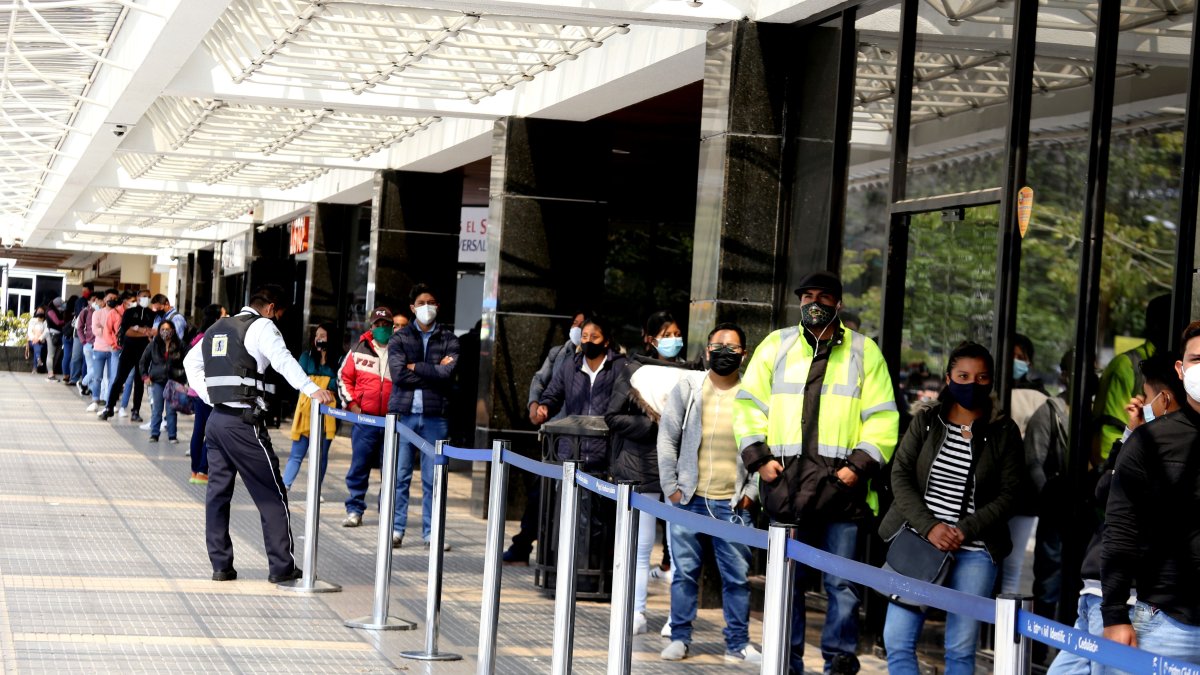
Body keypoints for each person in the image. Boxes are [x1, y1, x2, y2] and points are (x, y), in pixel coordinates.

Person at [733, 270, 898, 675]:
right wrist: (759, 460)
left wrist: (856, 470)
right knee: (788, 586)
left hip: (842, 496)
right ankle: (785, 663)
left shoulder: (865, 352)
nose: (814, 303)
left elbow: (882, 420)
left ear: (838, 304)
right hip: (784, 489)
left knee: (842, 587)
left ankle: (838, 662)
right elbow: (748, 405)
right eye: (807, 296)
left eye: (824, 297)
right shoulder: (777, 345)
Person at [880, 341, 1023, 675]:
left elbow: (1010, 494)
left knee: (960, 651)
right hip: (920, 543)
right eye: (963, 375)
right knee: (897, 641)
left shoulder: (1004, 431)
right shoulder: (927, 421)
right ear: (948, 378)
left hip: (974, 551)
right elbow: (899, 475)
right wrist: (930, 526)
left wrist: (964, 529)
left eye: (981, 377)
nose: (972, 383)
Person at [182, 284, 335, 583]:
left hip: (216, 421)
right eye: (279, 313)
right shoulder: (262, 326)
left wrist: (210, 395)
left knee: (217, 495)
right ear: (270, 308)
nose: (278, 319)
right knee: (272, 493)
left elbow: (190, 362)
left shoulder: (217, 328)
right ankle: (281, 567)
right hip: (244, 423)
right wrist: (312, 389)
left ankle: (221, 566)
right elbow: (282, 360)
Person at [1047, 352, 1183, 675]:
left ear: (1163, 400)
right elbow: (1102, 488)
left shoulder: (1167, 453)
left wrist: (1117, 613)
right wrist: (1131, 433)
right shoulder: (1143, 442)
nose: (1140, 403)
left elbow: (1106, 493)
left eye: (1147, 397)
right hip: (1096, 593)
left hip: (1123, 601)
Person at [658, 322, 762, 664]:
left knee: (736, 578)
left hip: (732, 503)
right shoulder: (688, 387)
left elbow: (767, 446)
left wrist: (751, 493)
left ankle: (737, 645)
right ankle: (680, 637)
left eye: (732, 348)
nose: (724, 353)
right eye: (718, 346)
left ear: (743, 355)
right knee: (684, 574)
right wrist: (671, 488)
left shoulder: (755, 395)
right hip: (688, 500)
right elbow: (667, 437)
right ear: (706, 351)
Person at [1100, 322, 1200, 664]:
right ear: (1181, 368)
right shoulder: (1149, 441)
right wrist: (1114, 614)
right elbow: (1121, 529)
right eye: (1197, 359)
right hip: (1168, 625)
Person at [606, 310, 690, 635]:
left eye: (676, 334)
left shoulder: (690, 372)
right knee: (640, 546)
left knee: (680, 547)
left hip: (679, 469)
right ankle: (636, 611)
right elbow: (613, 417)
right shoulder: (633, 370)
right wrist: (656, 424)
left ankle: (676, 619)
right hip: (639, 465)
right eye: (666, 334)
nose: (672, 341)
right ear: (650, 338)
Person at [502, 309, 588, 565]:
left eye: (583, 326)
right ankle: (524, 545)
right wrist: (534, 407)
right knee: (542, 493)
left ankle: (557, 553)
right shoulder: (560, 353)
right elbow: (539, 381)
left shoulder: (605, 359)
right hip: (555, 438)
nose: (578, 329)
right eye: (575, 323)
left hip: (584, 441)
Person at [387, 283, 459, 550]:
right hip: (404, 415)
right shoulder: (400, 337)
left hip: (434, 417)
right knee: (400, 476)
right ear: (412, 307)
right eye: (421, 302)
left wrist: (416, 366)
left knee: (434, 479)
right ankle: (395, 529)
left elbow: (447, 375)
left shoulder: (449, 339)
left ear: (437, 306)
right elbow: (398, 374)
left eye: (431, 301)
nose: (426, 307)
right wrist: (433, 371)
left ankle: (432, 534)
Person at [1092, 294, 1171, 465]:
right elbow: (1110, 429)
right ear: (1156, 326)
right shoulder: (1126, 366)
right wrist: (1112, 471)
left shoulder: (1175, 364)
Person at [1000, 333, 1049, 596]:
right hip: (1017, 491)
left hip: (1022, 492)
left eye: (1022, 357)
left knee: (1010, 565)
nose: (1016, 362)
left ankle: (999, 630)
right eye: (1013, 356)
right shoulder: (1041, 397)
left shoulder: (1037, 397)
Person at [340, 307, 396, 528]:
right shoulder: (358, 349)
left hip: (392, 422)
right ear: (371, 327)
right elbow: (343, 378)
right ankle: (355, 509)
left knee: (390, 469)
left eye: (386, 324)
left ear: (392, 326)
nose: (382, 328)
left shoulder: (400, 349)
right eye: (378, 325)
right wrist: (353, 405)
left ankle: (387, 513)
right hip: (365, 421)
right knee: (359, 466)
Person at [281, 323, 340, 490]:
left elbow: (339, 383)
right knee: (296, 453)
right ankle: (285, 485)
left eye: (322, 336)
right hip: (305, 412)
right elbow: (300, 379)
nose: (318, 339)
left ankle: (316, 489)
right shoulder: (307, 356)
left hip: (328, 413)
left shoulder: (339, 359)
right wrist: (324, 384)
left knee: (321, 455)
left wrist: (314, 382)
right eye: (317, 336)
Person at [101, 289, 156, 422]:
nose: (146, 299)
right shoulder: (130, 312)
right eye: (143, 296)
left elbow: (154, 332)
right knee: (119, 379)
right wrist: (145, 332)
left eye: (148, 297)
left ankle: (135, 411)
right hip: (128, 351)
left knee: (139, 382)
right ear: (137, 298)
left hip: (144, 353)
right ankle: (109, 407)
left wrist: (138, 329)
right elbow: (127, 332)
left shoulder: (151, 315)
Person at [187, 304, 225, 485]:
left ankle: (196, 470)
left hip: (196, 390)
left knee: (199, 430)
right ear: (216, 318)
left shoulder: (198, 336)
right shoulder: (212, 338)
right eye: (224, 314)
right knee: (210, 432)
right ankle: (202, 469)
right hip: (206, 391)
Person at [140, 320, 185, 443]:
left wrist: (183, 379)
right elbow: (143, 361)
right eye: (163, 329)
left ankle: (172, 435)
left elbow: (186, 362)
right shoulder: (153, 345)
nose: (165, 332)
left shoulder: (180, 345)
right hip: (157, 381)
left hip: (173, 381)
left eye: (168, 329)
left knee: (171, 410)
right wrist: (145, 376)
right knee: (157, 409)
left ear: (173, 330)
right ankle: (154, 434)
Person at [88, 290, 122, 413]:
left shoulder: (119, 314)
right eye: (110, 297)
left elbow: (119, 332)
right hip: (99, 349)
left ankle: (110, 402)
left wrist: (106, 330)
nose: (112, 299)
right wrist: (109, 331)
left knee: (112, 378)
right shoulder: (97, 313)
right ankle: (95, 400)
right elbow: (95, 330)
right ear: (105, 299)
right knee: (97, 377)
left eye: (115, 297)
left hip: (114, 350)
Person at [69, 284, 93, 388]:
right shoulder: (80, 302)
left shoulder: (95, 306)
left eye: (86, 290)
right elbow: (79, 319)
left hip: (91, 336)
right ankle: (74, 378)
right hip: (79, 335)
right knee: (76, 357)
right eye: (83, 290)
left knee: (87, 360)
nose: (84, 292)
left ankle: (85, 379)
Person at [75, 291, 98, 397]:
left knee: (94, 368)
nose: (96, 302)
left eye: (97, 300)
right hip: (89, 344)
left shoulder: (102, 312)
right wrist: (83, 341)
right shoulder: (85, 312)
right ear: (89, 301)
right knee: (91, 367)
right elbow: (78, 327)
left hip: (100, 344)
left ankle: (86, 385)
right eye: (93, 300)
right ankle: (88, 386)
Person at [44, 297, 66, 381]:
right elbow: (57, 322)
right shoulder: (50, 311)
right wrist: (65, 321)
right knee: (51, 355)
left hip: (57, 334)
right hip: (52, 334)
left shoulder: (55, 310)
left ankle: (51, 373)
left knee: (54, 355)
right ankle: (50, 374)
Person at [59, 295, 77, 385]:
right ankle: (71, 374)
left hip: (66, 335)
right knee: (73, 357)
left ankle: (65, 375)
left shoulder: (66, 312)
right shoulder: (77, 313)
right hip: (73, 336)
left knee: (66, 356)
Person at [27, 307, 47, 374]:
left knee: (38, 346)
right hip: (32, 341)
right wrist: (34, 338)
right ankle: (38, 360)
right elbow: (29, 332)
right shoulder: (32, 320)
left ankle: (35, 367)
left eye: (41, 311)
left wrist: (39, 339)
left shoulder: (45, 322)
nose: (40, 312)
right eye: (38, 311)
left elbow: (45, 332)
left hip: (40, 341)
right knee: (36, 345)